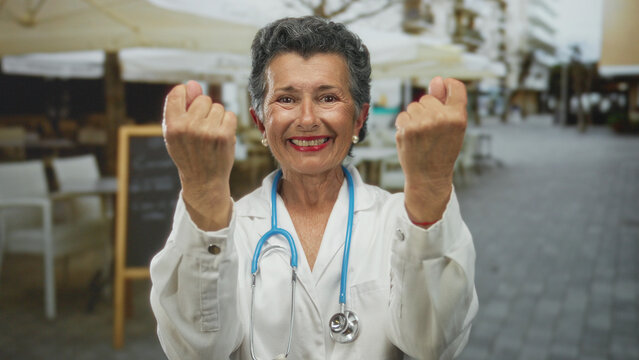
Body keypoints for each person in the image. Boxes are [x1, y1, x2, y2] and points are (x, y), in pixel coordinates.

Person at [150, 16, 477, 360]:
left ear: (359, 118)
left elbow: (434, 344)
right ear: (260, 120)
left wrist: (430, 190)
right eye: (287, 100)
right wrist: (203, 194)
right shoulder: (220, 227)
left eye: (328, 97)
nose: (307, 119)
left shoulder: (406, 221)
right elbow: (194, 351)